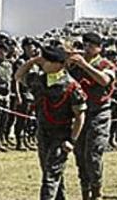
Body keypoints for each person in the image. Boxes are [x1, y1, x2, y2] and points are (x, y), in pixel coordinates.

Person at [15, 43, 87, 200]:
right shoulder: (40, 80)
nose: (43, 63)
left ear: (58, 64)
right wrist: (32, 61)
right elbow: (18, 76)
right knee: (51, 173)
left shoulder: (71, 85)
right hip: (43, 132)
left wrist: (72, 140)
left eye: (47, 60)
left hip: (61, 135)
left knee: (50, 176)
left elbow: (80, 115)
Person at [68, 31, 116, 200]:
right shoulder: (77, 65)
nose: (86, 48)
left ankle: (97, 190)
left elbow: (104, 80)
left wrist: (85, 65)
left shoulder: (105, 64)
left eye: (90, 45)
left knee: (93, 154)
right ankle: (85, 190)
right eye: (85, 45)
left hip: (99, 113)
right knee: (80, 153)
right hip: (81, 113)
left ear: (99, 48)